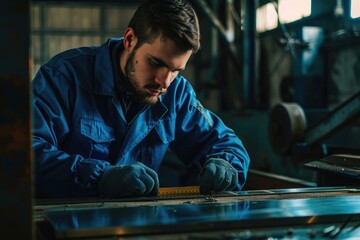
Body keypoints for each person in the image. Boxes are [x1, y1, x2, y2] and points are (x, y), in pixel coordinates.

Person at [32, 0, 250, 198]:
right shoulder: (65, 76)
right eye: (156, 62)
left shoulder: (176, 93)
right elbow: (25, 153)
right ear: (129, 39)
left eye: (176, 70)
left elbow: (225, 143)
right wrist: (97, 178)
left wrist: (226, 165)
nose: (164, 82)